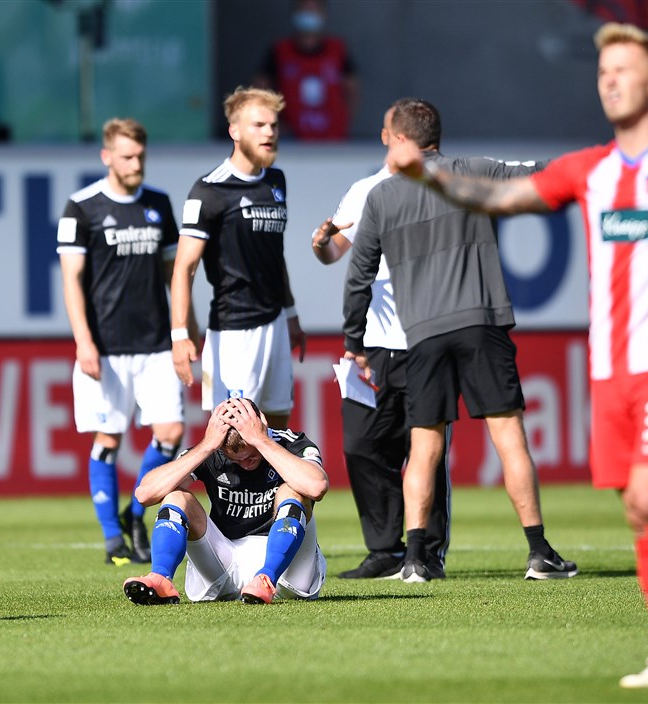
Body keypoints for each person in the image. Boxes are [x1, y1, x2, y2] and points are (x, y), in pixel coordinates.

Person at [386, 22, 648, 690]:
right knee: (637, 509)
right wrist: (430, 175)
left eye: (623, 69)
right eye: (603, 70)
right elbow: (499, 197)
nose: (609, 80)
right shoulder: (591, 169)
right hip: (609, 371)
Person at [343, 97, 579, 584]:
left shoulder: (382, 197)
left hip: (421, 334)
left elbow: (358, 276)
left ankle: (414, 559)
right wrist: (600, 165)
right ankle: (539, 552)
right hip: (480, 321)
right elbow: (544, 173)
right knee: (509, 438)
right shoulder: (474, 170)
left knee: (423, 446)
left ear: (401, 138)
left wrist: (353, 340)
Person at [311, 107, 451, 579]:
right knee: (361, 444)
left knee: (426, 448)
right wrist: (321, 243)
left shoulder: (441, 185)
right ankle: (384, 549)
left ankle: (428, 551)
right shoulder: (364, 190)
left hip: (426, 337)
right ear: (388, 136)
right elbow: (335, 252)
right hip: (373, 343)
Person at [57, 117, 193, 566]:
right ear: (107, 156)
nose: (135, 164)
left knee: (170, 433)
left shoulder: (158, 203)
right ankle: (112, 539)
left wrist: (186, 332)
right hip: (106, 345)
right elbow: (72, 280)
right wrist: (83, 341)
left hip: (155, 343)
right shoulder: (82, 207)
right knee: (109, 438)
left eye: (140, 156)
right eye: (127, 156)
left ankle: (135, 513)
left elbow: (176, 276)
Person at [171, 87, 306, 430]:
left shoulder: (276, 181)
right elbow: (184, 267)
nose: (269, 133)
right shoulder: (209, 190)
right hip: (234, 332)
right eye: (258, 125)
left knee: (277, 430)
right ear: (234, 131)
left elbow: (275, 255)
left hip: (275, 323)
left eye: (273, 125)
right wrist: (179, 335)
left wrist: (290, 314)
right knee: (234, 437)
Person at [123, 397, 328, 605]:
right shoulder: (212, 449)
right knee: (176, 496)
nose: (246, 465)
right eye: (235, 460)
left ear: (263, 424)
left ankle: (266, 577)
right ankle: (160, 578)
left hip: (287, 571)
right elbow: (144, 494)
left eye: (252, 456)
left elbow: (317, 486)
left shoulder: (291, 442)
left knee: (294, 490)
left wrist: (262, 441)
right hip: (226, 561)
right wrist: (206, 446)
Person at [253, 0, 359, 140]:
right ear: (295, 13)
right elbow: (260, 90)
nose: (309, 14)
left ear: (323, 13)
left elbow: (352, 91)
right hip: (291, 141)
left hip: (333, 140)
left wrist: (343, 121)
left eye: (314, 9)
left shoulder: (338, 50)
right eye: (304, 9)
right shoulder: (280, 51)